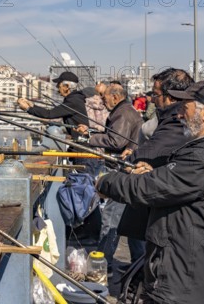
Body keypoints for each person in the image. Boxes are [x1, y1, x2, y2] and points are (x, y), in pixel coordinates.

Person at [97, 80, 204, 304]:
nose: (179, 114)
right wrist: (153, 172)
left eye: (184, 107)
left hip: (182, 282)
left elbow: (145, 189)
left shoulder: (203, 159)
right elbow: (174, 185)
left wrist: (104, 182)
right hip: (197, 275)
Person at [118, 68, 194, 263]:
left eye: (155, 94)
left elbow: (152, 151)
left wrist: (130, 159)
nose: (151, 99)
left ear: (170, 97)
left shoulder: (177, 120)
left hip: (171, 214)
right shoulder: (169, 117)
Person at [75, 84, 142, 271]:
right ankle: (139, 265)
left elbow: (116, 141)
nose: (102, 100)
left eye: (104, 96)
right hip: (130, 172)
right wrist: (90, 132)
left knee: (110, 219)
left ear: (115, 96)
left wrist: (89, 139)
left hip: (123, 173)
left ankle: (103, 265)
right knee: (134, 223)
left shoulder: (123, 113)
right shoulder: (126, 111)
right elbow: (114, 136)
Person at [17, 71, 88, 138]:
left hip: (82, 142)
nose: (57, 87)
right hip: (79, 139)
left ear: (66, 86)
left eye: (59, 85)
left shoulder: (73, 101)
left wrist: (28, 109)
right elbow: (51, 112)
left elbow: (49, 114)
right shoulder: (75, 98)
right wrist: (32, 105)